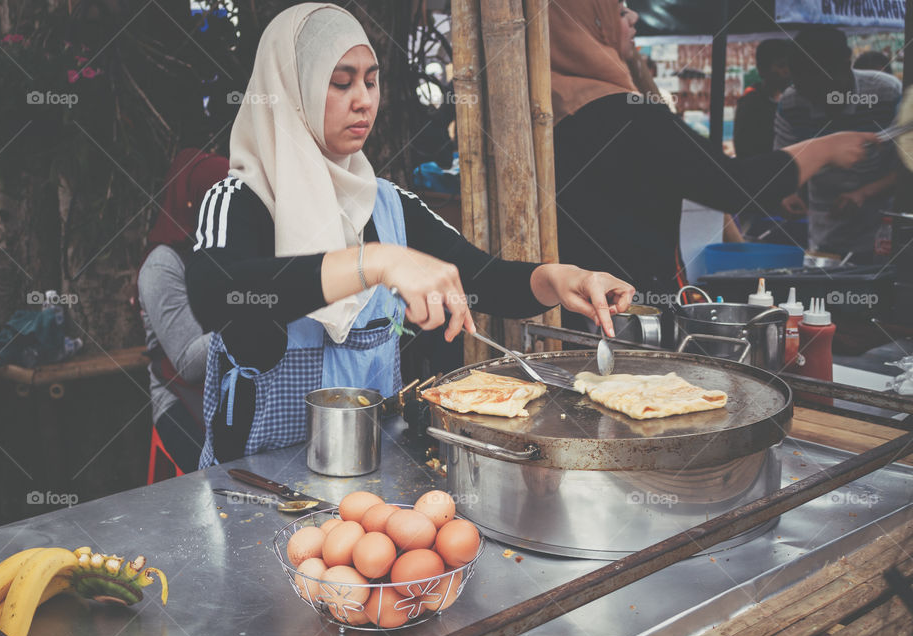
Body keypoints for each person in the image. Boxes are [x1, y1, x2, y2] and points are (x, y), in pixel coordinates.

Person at [185, 3, 635, 468]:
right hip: (251, 490)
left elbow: (485, 279)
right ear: (290, 91)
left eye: (371, 80)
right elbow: (217, 293)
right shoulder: (239, 200)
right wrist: (374, 263)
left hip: (369, 478)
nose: (363, 99)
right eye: (341, 83)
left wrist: (562, 279)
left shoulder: (388, 206)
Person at [550, 0, 875, 332]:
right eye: (619, 12)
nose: (634, 17)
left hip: (567, 313)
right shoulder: (629, 115)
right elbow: (735, 185)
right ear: (591, 27)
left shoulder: (549, 107)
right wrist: (825, 149)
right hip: (629, 313)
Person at [774, 25, 902, 262]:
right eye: (800, 83)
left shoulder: (886, 93)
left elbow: (906, 165)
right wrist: (787, 193)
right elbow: (783, 163)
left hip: (882, 233)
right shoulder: (792, 102)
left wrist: (863, 193)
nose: (809, 93)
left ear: (846, 63)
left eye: (818, 82)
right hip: (824, 234)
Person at [138, 148, 228, 472]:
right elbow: (188, 363)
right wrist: (246, 319)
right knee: (222, 478)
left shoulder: (225, 252)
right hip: (180, 398)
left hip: (226, 390)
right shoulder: (162, 266)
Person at [734, 40, 792, 159]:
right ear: (762, 70)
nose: (788, 71)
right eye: (781, 66)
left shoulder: (791, 100)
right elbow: (745, 151)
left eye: (790, 66)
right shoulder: (750, 105)